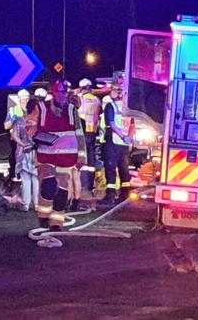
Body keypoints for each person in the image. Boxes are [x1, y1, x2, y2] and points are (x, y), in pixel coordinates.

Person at [31, 79, 86, 248]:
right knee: (48, 187)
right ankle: (43, 219)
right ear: (53, 92)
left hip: (67, 158)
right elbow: (30, 126)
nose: (62, 96)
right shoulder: (41, 108)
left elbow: (79, 134)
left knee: (62, 193)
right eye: (59, 92)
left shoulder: (71, 110)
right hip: (46, 156)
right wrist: (38, 136)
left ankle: (56, 224)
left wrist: (82, 157)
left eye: (65, 93)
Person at [101, 83, 133, 205]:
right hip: (124, 144)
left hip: (113, 141)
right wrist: (128, 137)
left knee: (110, 168)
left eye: (113, 90)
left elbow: (112, 124)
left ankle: (110, 195)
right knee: (124, 169)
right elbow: (133, 124)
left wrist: (122, 136)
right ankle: (125, 195)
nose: (111, 92)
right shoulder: (128, 108)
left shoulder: (110, 106)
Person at [75, 78, 102, 207]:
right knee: (91, 161)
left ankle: (83, 187)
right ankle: (90, 186)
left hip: (82, 133)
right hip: (92, 132)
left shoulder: (79, 98)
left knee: (81, 160)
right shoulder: (97, 100)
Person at [11, 95, 39, 211]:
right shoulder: (39, 122)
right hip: (36, 152)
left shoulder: (20, 119)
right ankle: (37, 204)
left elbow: (14, 135)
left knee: (25, 179)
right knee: (36, 179)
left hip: (22, 152)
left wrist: (22, 144)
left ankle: (26, 205)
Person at [4, 89, 30, 185]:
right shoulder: (14, 110)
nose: (23, 101)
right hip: (16, 140)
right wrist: (12, 120)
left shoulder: (31, 111)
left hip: (29, 140)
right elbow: (6, 126)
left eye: (25, 99)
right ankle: (14, 179)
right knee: (15, 160)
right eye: (21, 99)